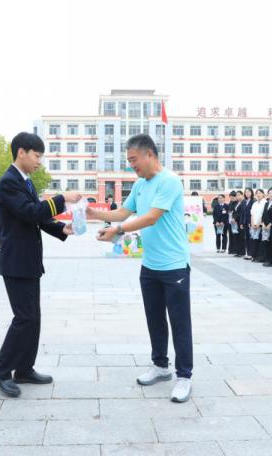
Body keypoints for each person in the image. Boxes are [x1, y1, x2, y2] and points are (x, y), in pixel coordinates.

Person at [89, 134, 193, 403]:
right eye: (129, 161)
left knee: (179, 322)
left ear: (150, 154)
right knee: (154, 318)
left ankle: (184, 376)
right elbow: (122, 213)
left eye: (134, 159)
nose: (131, 165)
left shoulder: (169, 181)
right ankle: (160, 366)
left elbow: (150, 218)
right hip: (150, 265)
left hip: (174, 266)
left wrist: (118, 231)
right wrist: (95, 213)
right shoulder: (139, 185)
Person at [0, 132, 81, 398]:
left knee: (33, 318)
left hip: (28, 260)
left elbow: (37, 217)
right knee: (24, 318)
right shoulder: (9, 182)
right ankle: (1, 372)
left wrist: (62, 228)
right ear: (22, 152)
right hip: (16, 261)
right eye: (37, 156)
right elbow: (29, 212)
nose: (39, 161)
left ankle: (24, 368)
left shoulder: (24, 181)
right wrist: (62, 198)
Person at [261, 188, 272, 266]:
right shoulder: (266, 203)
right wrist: (263, 224)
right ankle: (267, 259)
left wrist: (270, 224)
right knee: (266, 242)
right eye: (269, 193)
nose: (270, 194)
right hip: (265, 227)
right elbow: (263, 214)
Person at [249, 189, 266, 262]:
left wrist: (259, 224)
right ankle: (254, 256)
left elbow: (263, 215)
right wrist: (252, 224)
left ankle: (260, 257)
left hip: (261, 225)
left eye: (260, 193)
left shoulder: (265, 203)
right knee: (254, 241)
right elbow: (252, 214)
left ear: (263, 194)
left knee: (260, 242)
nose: (258, 194)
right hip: (254, 225)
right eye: (257, 193)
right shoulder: (254, 203)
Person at [241, 188, 255, 260]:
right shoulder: (244, 202)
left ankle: (251, 254)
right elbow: (242, 213)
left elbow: (253, 213)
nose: (247, 193)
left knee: (250, 238)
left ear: (251, 193)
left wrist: (250, 222)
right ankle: (248, 253)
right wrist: (241, 222)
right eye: (246, 192)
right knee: (246, 238)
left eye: (248, 192)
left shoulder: (253, 201)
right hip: (244, 222)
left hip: (250, 223)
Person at [232, 191, 246, 257]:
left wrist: (235, 218)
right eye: (236, 195)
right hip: (235, 223)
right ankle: (237, 251)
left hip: (240, 222)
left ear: (242, 195)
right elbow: (234, 212)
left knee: (241, 237)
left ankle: (242, 252)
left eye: (239, 195)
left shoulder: (244, 202)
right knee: (236, 237)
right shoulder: (237, 203)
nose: (237, 196)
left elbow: (241, 213)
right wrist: (233, 218)